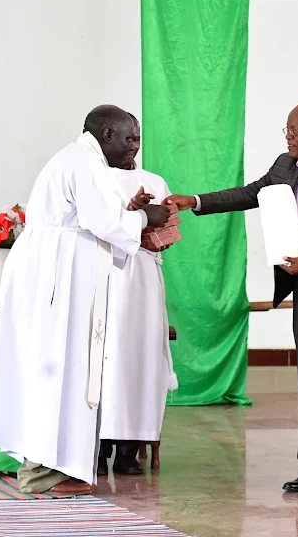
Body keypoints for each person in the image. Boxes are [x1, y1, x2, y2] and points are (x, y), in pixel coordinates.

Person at [164, 102, 298, 495]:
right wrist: (194, 201)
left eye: (295, 131)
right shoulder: (285, 166)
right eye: (287, 130)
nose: (288, 137)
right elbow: (251, 193)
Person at [0, 105, 170, 494]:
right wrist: (147, 216)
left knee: (58, 370)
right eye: (128, 138)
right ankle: (43, 471)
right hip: (58, 279)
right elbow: (105, 222)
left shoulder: (78, 158)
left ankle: (51, 467)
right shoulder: (84, 163)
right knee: (58, 370)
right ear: (106, 135)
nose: (134, 146)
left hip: (56, 273)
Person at [98, 114, 177, 476]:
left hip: (144, 278)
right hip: (107, 277)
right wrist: (133, 213)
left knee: (141, 360)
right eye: (127, 139)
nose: (133, 146)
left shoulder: (154, 181)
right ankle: (98, 450)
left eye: (137, 138)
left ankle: (129, 451)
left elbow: (167, 232)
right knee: (106, 362)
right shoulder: (95, 178)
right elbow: (98, 228)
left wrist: (154, 228)